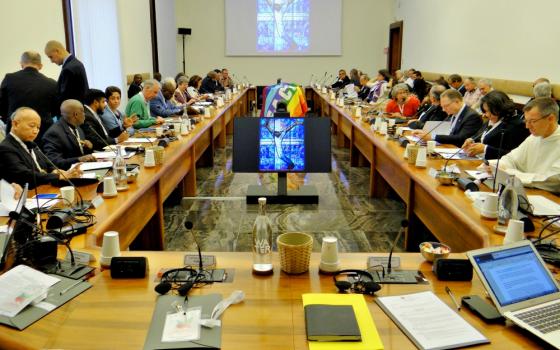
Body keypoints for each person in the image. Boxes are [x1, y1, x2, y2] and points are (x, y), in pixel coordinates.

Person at [490, 97, 560, 193]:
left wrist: (510, 173)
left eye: (532, 121)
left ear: (551, 118)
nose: (527, 126)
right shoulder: (534, 137)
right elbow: (511, 158)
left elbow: (552, 181)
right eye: (526, 121)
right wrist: (496, 166)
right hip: (527, 192)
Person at [0, 107, 83, 188]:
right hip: (27, 196)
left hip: (45, 189)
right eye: (32, 126)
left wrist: (57, 171)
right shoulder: (6, 148)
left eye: (38, 127)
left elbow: (48, 164)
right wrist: (58, 176)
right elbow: (24, 174)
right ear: (15, 124)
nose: (35, 131)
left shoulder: (31, 144)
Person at [0, 51, 57, 142]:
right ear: (41, 66)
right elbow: (55, 110)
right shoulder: (51, 84)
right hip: (43, 132)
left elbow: (1, 105)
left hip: (16, 130)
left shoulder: (9, 79)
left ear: (21, 64)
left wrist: (9, 119)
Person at [462, 91, 529, 159]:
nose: (486, 115)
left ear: (500, 108)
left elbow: (515, 155)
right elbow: (482, 135)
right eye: (485, 111)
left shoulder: (517, 125)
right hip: (481, 161)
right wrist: (472, 140)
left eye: (489, 111)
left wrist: (486, 149)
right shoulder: (493, 118)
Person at [411, 89, 482, 147]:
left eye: (446, 106)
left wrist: (432, 137)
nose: (443, 110)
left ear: (457, 102)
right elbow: (444, 130)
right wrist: (425, 133)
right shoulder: (453, 113)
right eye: (442, 106)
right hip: (447, 147)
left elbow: (461, 138)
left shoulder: (471, 116)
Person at [42, 100, 96, 170]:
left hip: (84, 170)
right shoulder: (54, 133)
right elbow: (54, 162)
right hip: (69, 176)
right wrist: (78, 159)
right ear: (76, 115)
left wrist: (88, 148)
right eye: (83, 111)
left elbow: (79, 154)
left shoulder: (78, 128)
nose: (85, 114)